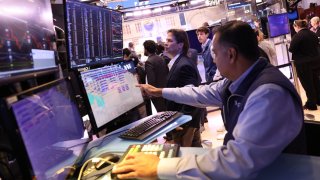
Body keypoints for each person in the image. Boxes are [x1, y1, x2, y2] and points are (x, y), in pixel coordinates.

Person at [112, 21, 304, 179]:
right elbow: (201, 93)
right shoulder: (240, 80)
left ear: (231, 54)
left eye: (214, 53)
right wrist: (161, 91)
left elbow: (236, 163)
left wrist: (161, 167)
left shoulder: (268, 95)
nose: (212, 59)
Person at [161, 28, 204, 147]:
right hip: (184, 120)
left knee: (186, 157)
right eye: (166, 40)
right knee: (195, 153)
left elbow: (191, 95)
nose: (165, 43)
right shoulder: (177, 62)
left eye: (170, 41)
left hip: (184, 123)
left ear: (180, 45)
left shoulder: (184, 65)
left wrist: (182, 122)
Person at [289, 20, 320, 110]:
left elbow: (291, 49)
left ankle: (311, 104)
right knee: (316, 82)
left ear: (297, 26)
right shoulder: (312, 33)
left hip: (303, 64)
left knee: (307, 84)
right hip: (315, 62)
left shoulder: (298, 36)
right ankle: (318, 99)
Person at [143, 40, 168, 112]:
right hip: (165, 89)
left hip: (156, 92)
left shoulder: (149, 62)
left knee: (161, 112)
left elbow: (151, 80)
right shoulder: (161, 58)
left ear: (146, 49)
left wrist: (150, 92)